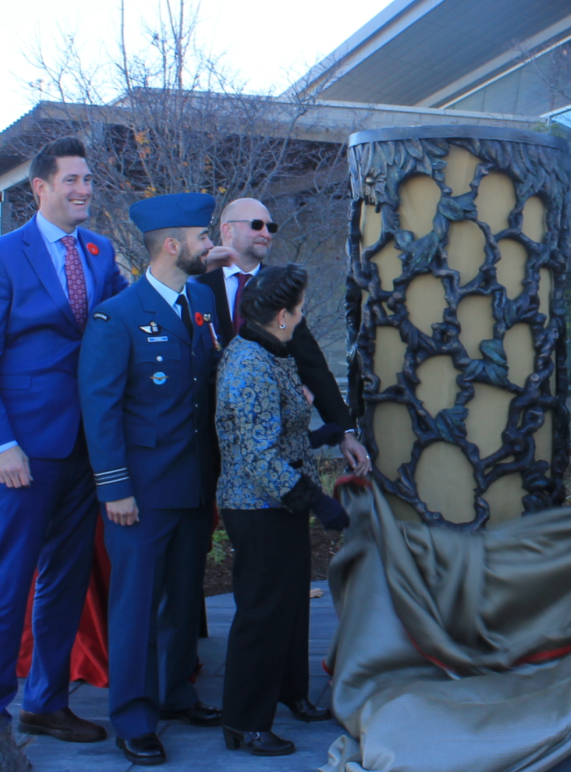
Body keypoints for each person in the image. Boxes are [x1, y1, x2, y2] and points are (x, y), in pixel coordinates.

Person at [0, 136, 127, 741]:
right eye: (72, 180)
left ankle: (46, 703)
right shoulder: (1, 257)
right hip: (22, 453)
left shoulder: (101, 251)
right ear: (41, 187)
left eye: (88, 180)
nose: (84, 190)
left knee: (65, 579)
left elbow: (121, 322)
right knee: (6, 582)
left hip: (86, 447)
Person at [79, 192, 225, 765]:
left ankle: (175, 694)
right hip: (139, 491)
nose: (209, 245)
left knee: (183, 599)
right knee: (137, 606)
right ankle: (134, 717)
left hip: (191, 484)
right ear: (173, 245)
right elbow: (101, 407)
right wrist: (114, 487)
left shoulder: (200, 302)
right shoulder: (118, 315)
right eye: (203, 237)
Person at [215, 264, 351, 756]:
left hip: (281, 500)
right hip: (257, 506)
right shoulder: (249, 363)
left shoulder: (272, 351)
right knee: (263, 612)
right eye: (298, 308)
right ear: (280, 316)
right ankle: (245, 722)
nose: (302, 313)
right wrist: (318, 503)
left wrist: (325, 434)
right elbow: (256, 456)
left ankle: (290, 693)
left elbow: (278, 432)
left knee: (291, 605)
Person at [196, 197, 370, 475]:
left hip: (271, 448)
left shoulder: (280, 288)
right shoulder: (195, 286)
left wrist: (344, 431)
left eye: (270, 226)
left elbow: (312, 364)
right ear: (227, 230)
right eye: (256, 225)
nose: (266, 233)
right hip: (202, 443)